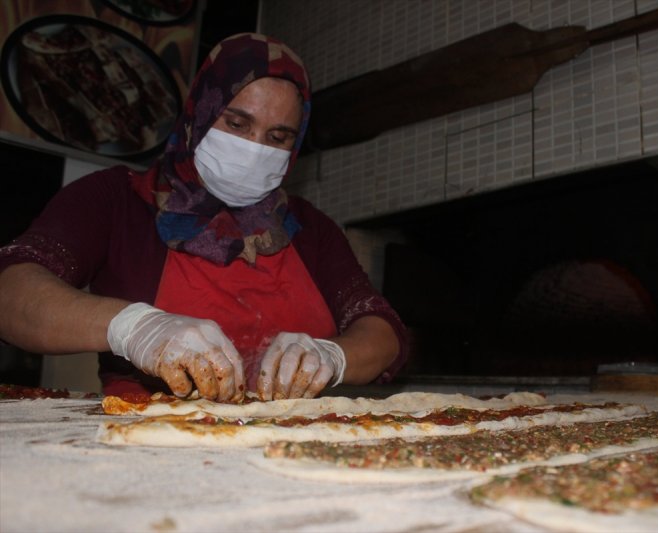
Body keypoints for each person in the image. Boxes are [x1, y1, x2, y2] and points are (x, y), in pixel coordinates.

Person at [0, 33, 408, 403]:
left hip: (292, 441)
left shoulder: (308, 227)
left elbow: (382, 332)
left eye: (278, 137)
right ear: (200, 111)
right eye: (236, 123)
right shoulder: (115, 201)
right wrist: (134, 326)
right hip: (147, 440)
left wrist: (332, 356)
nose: (254, 148)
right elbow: (12, 293)